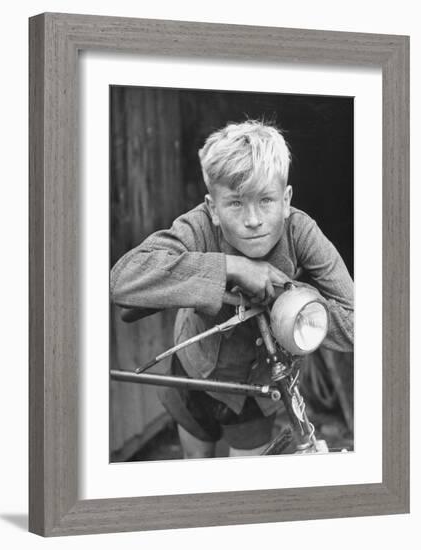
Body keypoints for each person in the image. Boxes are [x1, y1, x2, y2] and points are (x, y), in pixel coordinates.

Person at [110, 119, 354, 459]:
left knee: (242, 484)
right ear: (212, 208)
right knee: (196, 464)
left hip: (255, 388)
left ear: (286, 200)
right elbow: (124, 279)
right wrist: (232, 268)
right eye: (236, 203)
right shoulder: (198, 226)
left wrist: (286, 295)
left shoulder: (302, 232)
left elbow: (356, 323)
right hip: (193, 367)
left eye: (266, 201)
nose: (253, 219)